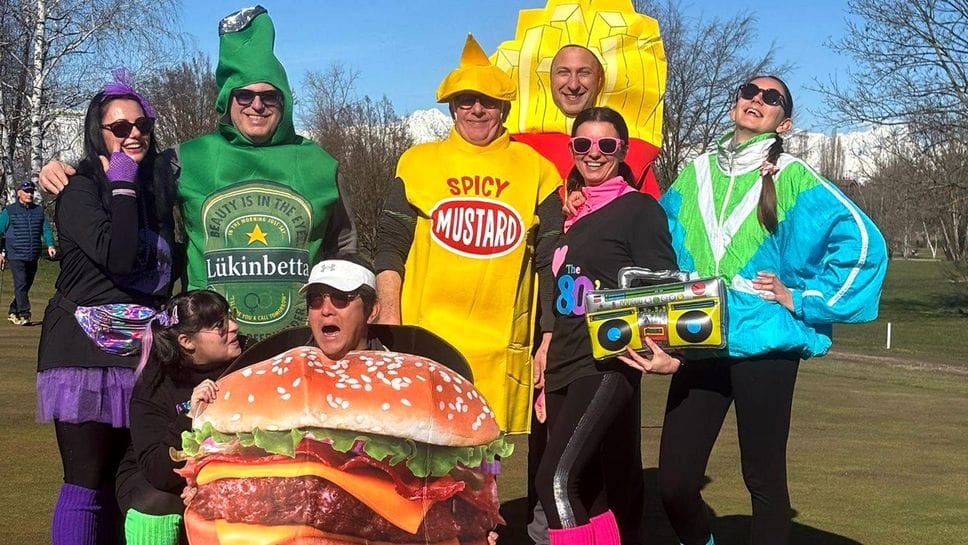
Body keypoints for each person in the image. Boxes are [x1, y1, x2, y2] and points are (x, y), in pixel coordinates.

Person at [654, 76, 888, 545]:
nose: (756, 100)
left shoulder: (794, 175)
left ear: (785, 119)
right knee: (674, 484)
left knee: (762, 479)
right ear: (734, 102)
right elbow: (654, 240)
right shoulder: (694, 172)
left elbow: (863, 242)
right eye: (748, 91)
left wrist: (801, 297)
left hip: (764, 341)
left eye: (771, 97)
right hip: (700, 340)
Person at [39, 6, 355, 340]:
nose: (257, 105)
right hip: (210, 348)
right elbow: (125, 173)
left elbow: (346, 249)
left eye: (269, 96)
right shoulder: (185, 159)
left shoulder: (321, 165)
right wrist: (65, 171)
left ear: (285, 101)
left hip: (295, 345)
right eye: (244, 94)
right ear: (226, 100)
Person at [374, 34, 561, 436]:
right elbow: (389, 246)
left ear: (504, 107)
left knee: (485, 470)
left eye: (488, 101)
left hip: (498, 352)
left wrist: (550, 334)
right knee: (420, 462)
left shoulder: (538, 170)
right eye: (465, 100)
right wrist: (390, 322)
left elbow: (551, 259)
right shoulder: (417, 163)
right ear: (452, 107)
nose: (477, 109)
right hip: (426, 344)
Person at [36, 71, 177, 545]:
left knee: (131, 483)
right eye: (119, 127)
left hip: (141, 356)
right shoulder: (80, 190)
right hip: (84, 356)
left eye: (141, 125)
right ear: (98, 133)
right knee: (86, 480)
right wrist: (119, 185)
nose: (133, 134)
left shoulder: (158, 190)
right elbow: (116, 256)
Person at [534, 106, 680, 545]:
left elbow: (664, 283)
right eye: (583, 144)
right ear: (572, 150)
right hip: (562, 359)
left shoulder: (639, 210)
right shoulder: (567, 214)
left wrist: (672, 355)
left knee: (554, 482)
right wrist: (545, 347)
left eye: (606, 145)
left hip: (606, 361)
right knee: (592, 488)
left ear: (623, 150)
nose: (593, 153)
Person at [115, 290, 242, 545]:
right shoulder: (155, 383)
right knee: (156, 501)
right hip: (157, 479)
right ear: (186, 341)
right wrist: (190, 416)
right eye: (220, 325)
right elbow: (158, 470)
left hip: (226, 472)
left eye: (230, 316)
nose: (234, 327)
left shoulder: (251, 361)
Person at [509, 44, 662, 199]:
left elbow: (652, 216)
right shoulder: (518, 148)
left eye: (584, 73)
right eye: (563, 72)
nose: (573, 85)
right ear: (550, 79)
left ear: (599, 80)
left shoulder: (625, 151)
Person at [0, 181, 56, 325]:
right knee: (20, 283)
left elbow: (45, 229)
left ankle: (13, 310)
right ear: (19, 193)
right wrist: (1, 252)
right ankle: (25, 314)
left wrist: (50, 245)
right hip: (15, 254)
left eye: (31, 191)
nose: (29, 194)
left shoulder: (38, 211)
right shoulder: (9, 211)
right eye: (26, 191)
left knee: (25, 285)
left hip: (32, 254)